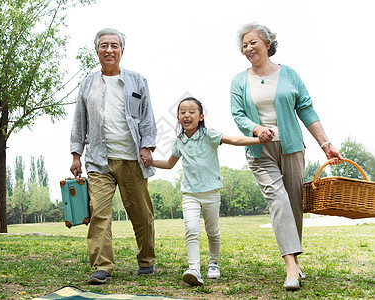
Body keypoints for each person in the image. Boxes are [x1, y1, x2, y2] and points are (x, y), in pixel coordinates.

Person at [230, 22, 343, 291]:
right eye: (244, 45)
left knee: (293, 205)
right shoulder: (239, 80)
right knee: (278, 200)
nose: (248, 48)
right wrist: (256, 129)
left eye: (253, 42)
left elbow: (306, 109)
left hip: (291, 145)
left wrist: (325, 144)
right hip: (260, 150)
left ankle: (295, 261)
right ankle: (290, 265)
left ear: (267, 44)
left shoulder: (289, 74)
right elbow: (238, 114)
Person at [144, 97, 272, 286]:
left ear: (201, 116)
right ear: (178, 117)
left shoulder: (209, 135)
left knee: (212, 232)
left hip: (211, 192)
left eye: (192, 111)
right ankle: (194, 268)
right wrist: (151, 161)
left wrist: (257, 139)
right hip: (190, 194)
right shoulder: (179, 142)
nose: (187, 115)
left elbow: (234, 139)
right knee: (191, 229)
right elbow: (170, 164)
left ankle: (213, 264)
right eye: (182, 112)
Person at [70, 28, 157, 284]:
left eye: (114, 46)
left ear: (122, 50)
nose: (109, 50)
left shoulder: (137, 81)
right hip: (99, 160)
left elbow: (147, 117)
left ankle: (146, 260)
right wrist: (77, 155)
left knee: (141, 212)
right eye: (104, 45)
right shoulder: (87, 84)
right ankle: (102, 266)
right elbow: (79, 123)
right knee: (99, 214)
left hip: (132, 158)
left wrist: (147, 146)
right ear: (97, 50)